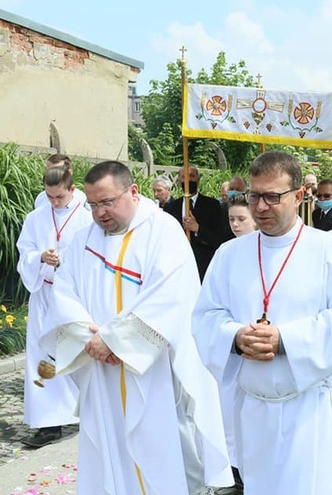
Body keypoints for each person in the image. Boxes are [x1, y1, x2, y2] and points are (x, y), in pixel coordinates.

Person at [44, 161, 232, 494]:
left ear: (133, 191)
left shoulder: (163, 231)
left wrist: (116, 341)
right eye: (93, 205)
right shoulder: (83, 238)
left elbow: (171, 296)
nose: (100, 212)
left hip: (148, 368)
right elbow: (63, 289)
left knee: (154, 452)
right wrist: (90, 337)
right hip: (98, 367)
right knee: (107, 450)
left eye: (108, 202)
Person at [192, 151, 332, 495]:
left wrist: (284, 339)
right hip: (252, 406)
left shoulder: (328, 251)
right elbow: (205, 316)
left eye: (273, 196)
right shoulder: (230, 254)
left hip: (309, 410)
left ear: (300, 196)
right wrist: (237, 336)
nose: (260, 207)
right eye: (254, 195)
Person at [16, 166, 92, 448]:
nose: (54, 202)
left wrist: (63, 262)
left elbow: (92, 258)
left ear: (72, 190)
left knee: (73, 353)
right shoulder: (35, 218)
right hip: (43, 294)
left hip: (72, 297)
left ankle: (81, 410)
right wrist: (38, 258)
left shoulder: (86, 219)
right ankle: (48, 421)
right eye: (49, 197)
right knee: (41, 354)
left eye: (59, 197)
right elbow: (24, 251)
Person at [164, 166, 230, 281]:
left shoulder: (211, 205)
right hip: (178, 267)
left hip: (203, 267)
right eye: (184, 177)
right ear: (179, 181)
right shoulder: (171, 208)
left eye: (192, 176)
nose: (188, 180)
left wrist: (198, 228)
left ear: (198, 180)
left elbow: (219, 238)